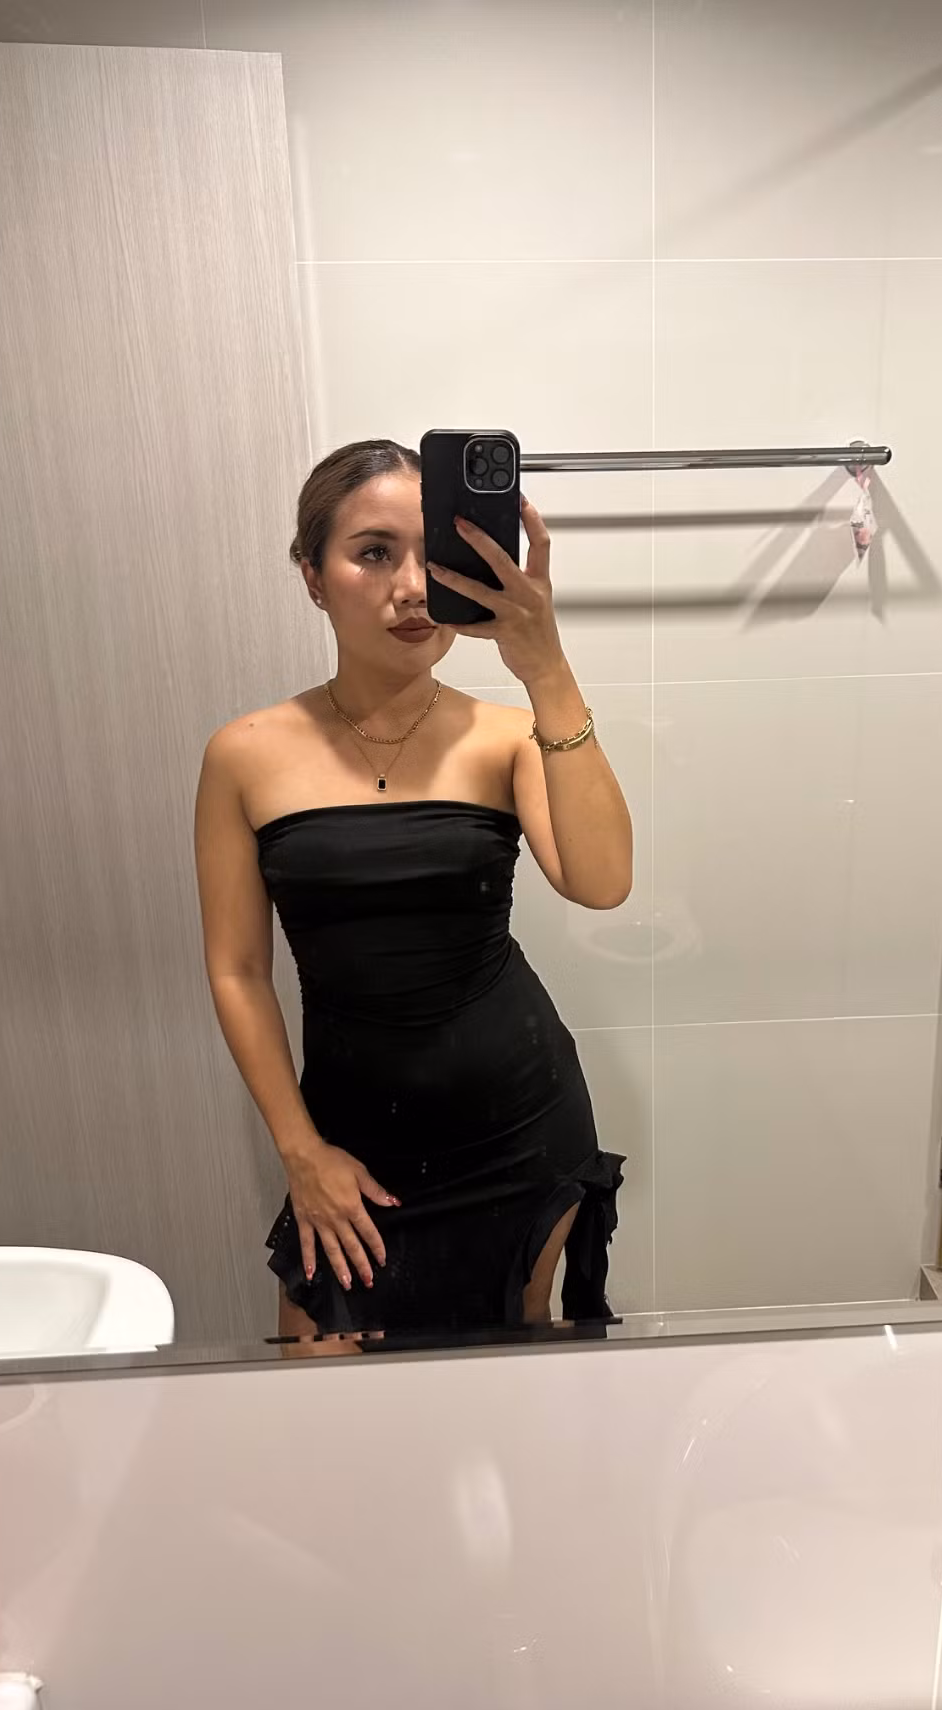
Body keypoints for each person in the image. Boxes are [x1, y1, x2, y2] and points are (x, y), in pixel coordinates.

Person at [193, 439, 632, 1341]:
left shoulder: (506, 737)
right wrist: (299, 1151)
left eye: (433, 556)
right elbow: (237, 970)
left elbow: (603, 883)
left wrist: (546, 666)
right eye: (373, 553)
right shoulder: (244, 754)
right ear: (313, 578)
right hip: (349, 1142)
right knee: (320, 1389)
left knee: (504, 1388)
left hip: (519, 1128)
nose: (412, 587)